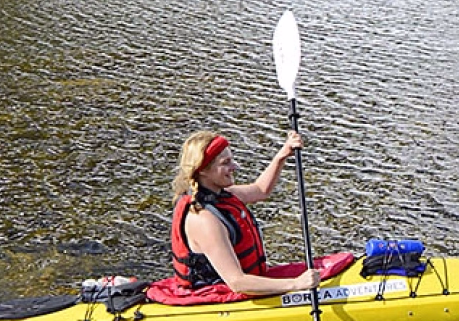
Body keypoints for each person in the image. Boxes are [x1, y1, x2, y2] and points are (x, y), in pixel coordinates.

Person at [147, 129, 351, 304]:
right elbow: (237, 282)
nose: (234, 167)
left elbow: (260, 190)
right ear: (203, 170)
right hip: (216, 294)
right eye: (225, 163)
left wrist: (282, 155)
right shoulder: (204, 219)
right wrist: (297, 284)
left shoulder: (222, 196)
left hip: (247, 280)